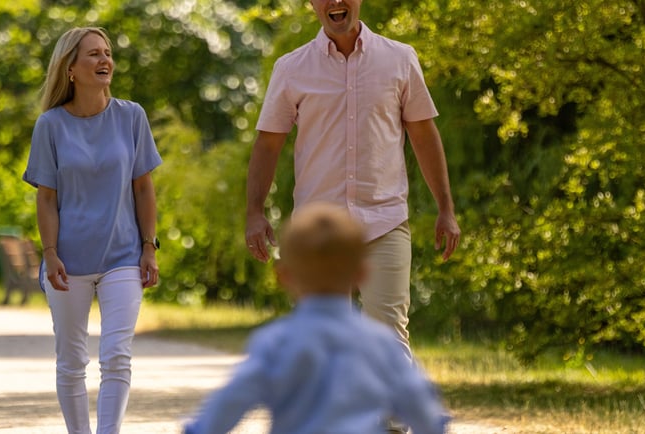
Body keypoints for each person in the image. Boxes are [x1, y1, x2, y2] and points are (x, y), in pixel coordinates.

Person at [246, 0, 459, 394]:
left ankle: (394, 419)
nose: (336, 2)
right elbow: (268, 143)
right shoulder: (291, 68)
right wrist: (254, 212)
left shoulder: (399, 59)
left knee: (388, 331)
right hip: (318, 229)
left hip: (384, 219)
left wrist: (446, 208)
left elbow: (424, 135)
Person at [185, 202, 450, 434]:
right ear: (362, 273)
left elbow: (232, 400)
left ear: (284, 276)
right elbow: (420, 406)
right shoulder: (381, 343)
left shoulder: (275, 342)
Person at [22, 27, 162, 434]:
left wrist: (149, 246)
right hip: (68, 261)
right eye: (94, 54)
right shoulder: (50, 125)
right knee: (71, 360)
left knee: (116, 355)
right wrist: (50, 254)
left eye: (107, 53)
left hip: (124, 256)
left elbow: (143, 187)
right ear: (70, 69)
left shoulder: (131, 116)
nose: (105, 61)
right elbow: (46, 198)